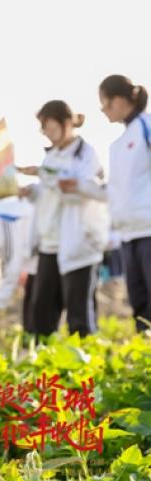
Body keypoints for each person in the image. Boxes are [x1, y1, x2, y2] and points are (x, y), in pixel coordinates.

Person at [17, 100, 108, 337]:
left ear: (67, 124)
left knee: (79, 313)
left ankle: (87, 368)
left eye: (51, 128)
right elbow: (48, 193)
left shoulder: (86, 154)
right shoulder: (52, 156)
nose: (47, 135)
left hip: (78, 241)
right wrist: (32, 191)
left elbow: (76, 190)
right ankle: (46, 365)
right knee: (42, 310)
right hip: (50, 243)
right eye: (44, 130)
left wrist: (42, 174)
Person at [99, 74, 151, 332]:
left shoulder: (146, 127)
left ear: (119, 100)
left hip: (149, 230)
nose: (103, 110)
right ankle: (146, 362)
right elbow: (115, 191)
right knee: (140, 306)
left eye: (105, 104)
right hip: (128, 235)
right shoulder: (117, 144)